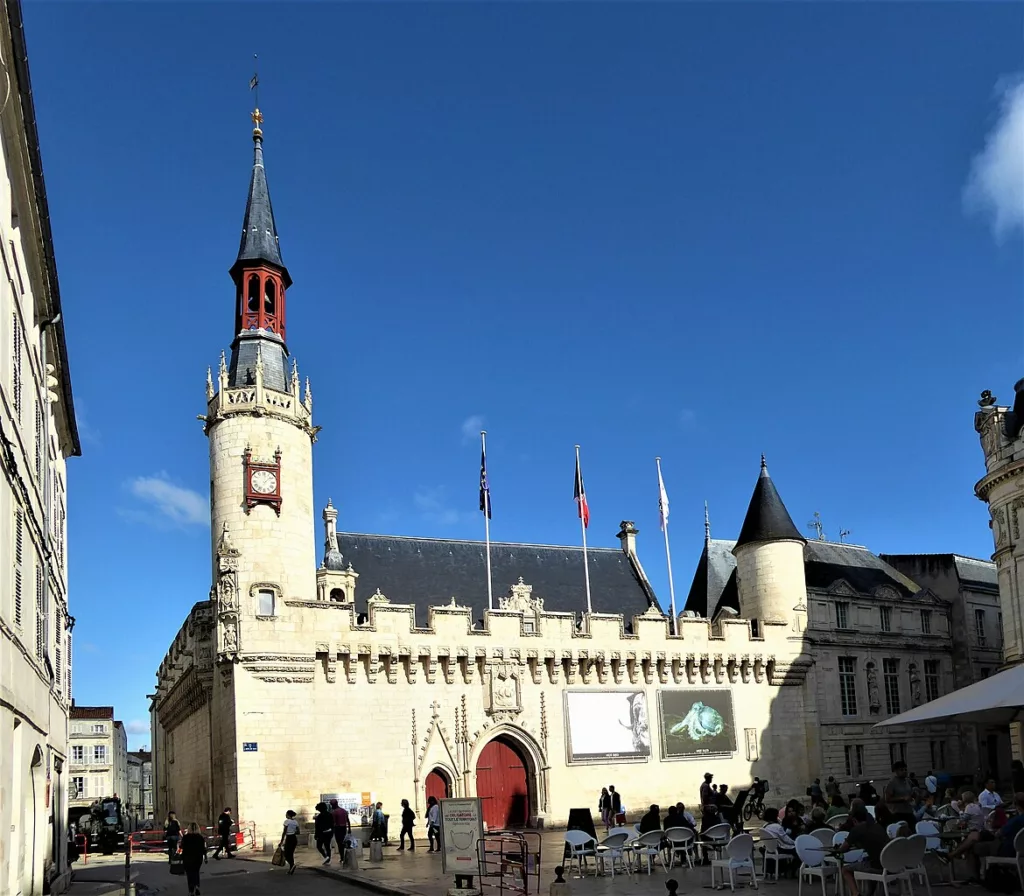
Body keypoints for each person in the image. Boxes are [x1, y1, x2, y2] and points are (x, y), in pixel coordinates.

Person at [840, 805, 889, 896]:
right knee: (869, 861)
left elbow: (843, 848)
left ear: (854, 820)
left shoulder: (856, 830)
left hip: (877, 866)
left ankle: (856, 894)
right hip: (890, 864)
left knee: (845, 870)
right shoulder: (878, 826)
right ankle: (869, 893)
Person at [884, 762, 915, 829]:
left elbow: (911, 793)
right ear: (896, 771)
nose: (904, 771)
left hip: (909, 811)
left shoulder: (908, 781)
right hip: (897, 813)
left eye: (905, 769)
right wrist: (902, 798)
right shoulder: (892, 783)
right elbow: (887, 799)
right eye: (901, 770)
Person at [181, 822, 208, 896]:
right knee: (196, 872)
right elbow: (204, 848)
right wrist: (205, 857)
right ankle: (197, 886)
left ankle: (191, 890)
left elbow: (181, 847)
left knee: (189, 874)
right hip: (198, 857)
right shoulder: (200, 837)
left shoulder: (186, 837)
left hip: (187, 857)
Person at [279, 810, 300, 875]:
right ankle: (291, 869)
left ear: (288, 815)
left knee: (286, 854)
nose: (286, 815)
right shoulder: (295, 822)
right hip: (294, 838)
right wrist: (293, 831)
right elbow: (298, 832)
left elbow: (284, 832)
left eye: (286, 814)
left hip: (289, 838)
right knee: (291, 853)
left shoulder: (286, 822)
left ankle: (292, 865)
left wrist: (281, 841)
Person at [330, 799, 350, 864]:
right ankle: (345, 856)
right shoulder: (344, 811)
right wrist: (349, 829)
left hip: (338, 829)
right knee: (343, 843)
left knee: (339, 843)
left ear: (333, 805)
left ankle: (342, 857)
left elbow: (333, 823)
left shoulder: (334, 812)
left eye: (332, 805)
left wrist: (332, 831)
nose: (331, 806)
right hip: (344, 828)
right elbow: (348, 820)